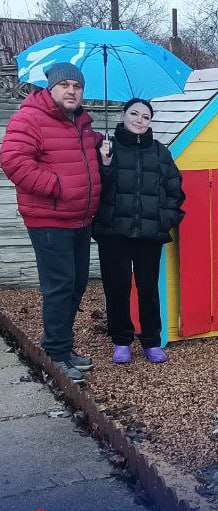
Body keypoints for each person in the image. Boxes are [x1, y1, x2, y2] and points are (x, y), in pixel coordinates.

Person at [1, 63, 103, 382]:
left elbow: (75, 154)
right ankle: (56, 354)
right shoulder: (30, 118)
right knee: (59, 286)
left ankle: (63, 346)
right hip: (49, 219)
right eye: (65, 85)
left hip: (79, 218)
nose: (71, 91)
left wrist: (101, 146)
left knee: (77, 283)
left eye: (77, 86)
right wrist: (56, 187)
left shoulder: (82, 121)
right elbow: (13, 160)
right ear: (51, 87)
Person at [94, 98, 185, 364]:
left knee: (148, 290)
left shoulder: (160, 153)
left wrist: (164, 220)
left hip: (148, 235)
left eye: (145, 117)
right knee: (117, 289)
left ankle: (151, 341)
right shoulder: (107, 148)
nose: (139, 120)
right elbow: (95, 188)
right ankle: (121, 340)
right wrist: (105, 164)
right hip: (114, 233)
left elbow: (175, 191)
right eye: (134, 114)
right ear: (123, 115)